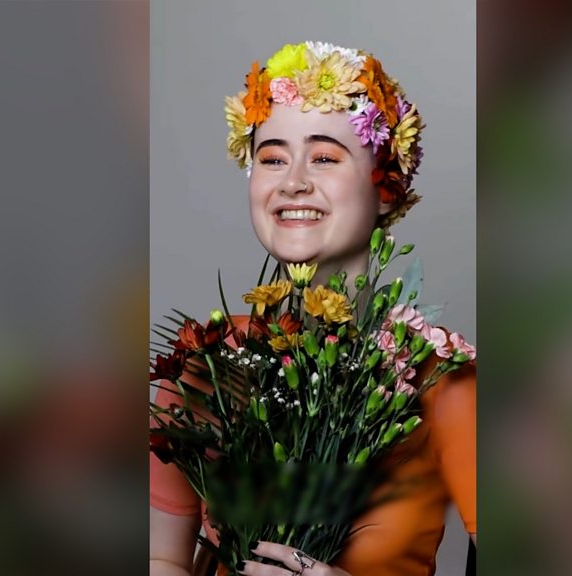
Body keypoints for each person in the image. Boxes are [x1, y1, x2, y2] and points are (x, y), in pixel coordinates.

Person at [149, 42, 476, 576]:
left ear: (387, 188)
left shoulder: (441, 377)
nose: (293, 181)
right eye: (272, 158)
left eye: (324, 157)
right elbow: (161, 558)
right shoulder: (204, 360)